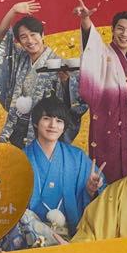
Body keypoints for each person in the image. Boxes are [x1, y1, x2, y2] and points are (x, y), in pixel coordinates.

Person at [75, 0, 127, 186]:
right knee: (107, 176)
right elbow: (91, 47)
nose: (124, 34)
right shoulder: (103, 55)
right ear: (112, 30)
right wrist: (85, 20)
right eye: (120, 28)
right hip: (107, 131)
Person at [0, 0, 86, 148]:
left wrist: (65, 81)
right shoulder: (19, 57)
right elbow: (2, 38)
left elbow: (75, 104)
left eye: (33, 35)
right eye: (24, 37)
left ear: (43, 35)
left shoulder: (58, 64)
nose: (30, 41)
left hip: (43, 131)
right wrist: (13, 10)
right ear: (19, 41)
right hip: (16, 127)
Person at [23, 96, 102, 239]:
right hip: (30, 234)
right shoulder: (21, 158)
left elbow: (101, 194)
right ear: (35, 122)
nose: (53, 125)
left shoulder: (77, 157)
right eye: (46, 118)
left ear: (64, 126)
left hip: (70, 236)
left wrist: (91, 191)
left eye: (59, 121)